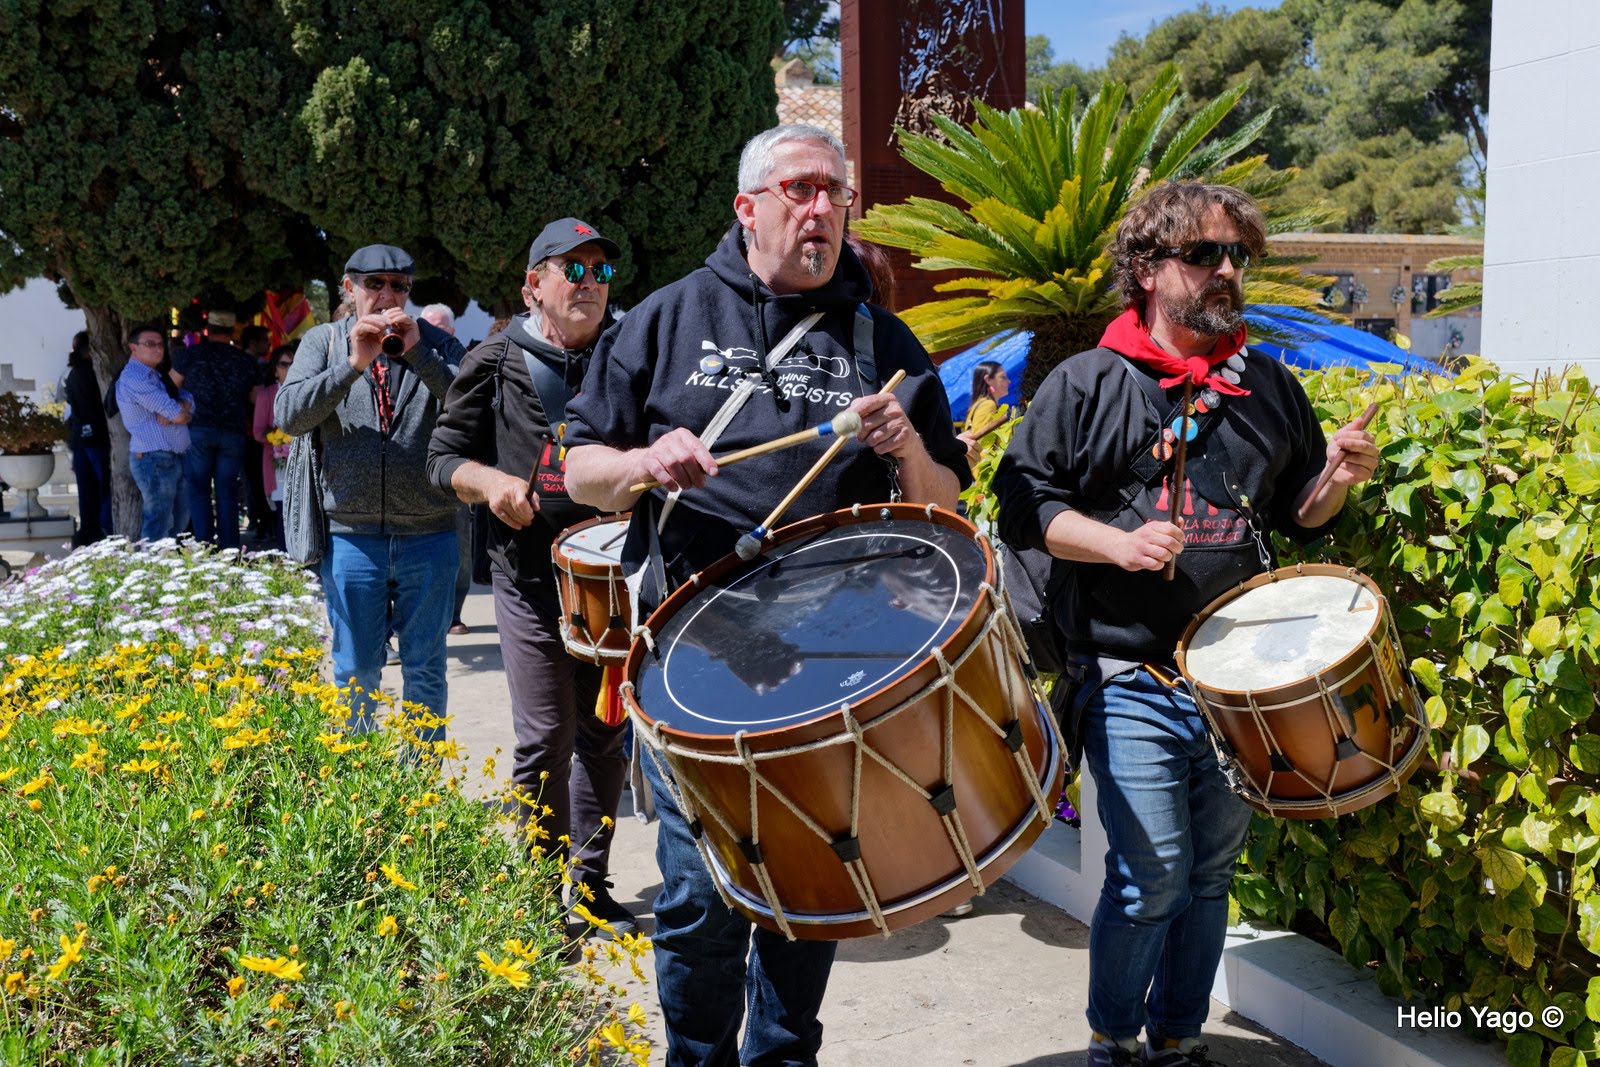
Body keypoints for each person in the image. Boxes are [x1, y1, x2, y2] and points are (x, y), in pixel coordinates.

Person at [563, 123, 969, 1067]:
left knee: (812, 885)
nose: (821, 208)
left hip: (839, 666)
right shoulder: (664, 320)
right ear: (749, 208)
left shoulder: (884, 340)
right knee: (699, 896)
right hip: (689, 658)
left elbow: (943, 500)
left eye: (835, 191)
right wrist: (642, 461)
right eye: (800, 189)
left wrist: (904, 443)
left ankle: (786, 1058)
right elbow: (578, 469)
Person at [992, 181, 1378, 1067]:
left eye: (1237, 256)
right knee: (1151, 870)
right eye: (1205, 255)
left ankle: (1175, 1039)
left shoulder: (1267, 383)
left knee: (1209, 874)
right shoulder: (1086, 382)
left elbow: (1297, 510)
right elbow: (1021, 504)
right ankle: (1113, 1039)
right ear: (1147, 267)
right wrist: (1114, 544)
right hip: (1125, 670)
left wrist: (1339, 480)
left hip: (1237, 678)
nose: (1227, 272)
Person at [428, 217, 636, 933]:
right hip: (526, 577)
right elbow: (443, 458)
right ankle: (535, 890)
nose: (588, 283)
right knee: (546, 734)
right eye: (570, 269)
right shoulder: (493, 359)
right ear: (533, 286)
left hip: (611, 581)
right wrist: (489, 483)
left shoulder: (628, 355)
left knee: (606, 731)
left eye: (600, 271)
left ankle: (589, 881)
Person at [275, 244, 466, 744]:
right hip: (351, 536)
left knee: (425, 671)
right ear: (349, 288)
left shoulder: (440, 344)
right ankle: (358, 791)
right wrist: (352, 365)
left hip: (430, 533)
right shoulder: (323, 342)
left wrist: (421, 353)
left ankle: (418, 790)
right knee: (356, 671)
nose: (386, 296)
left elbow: (474, 413)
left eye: (398, 287)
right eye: (373, 284)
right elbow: (290, 416)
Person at [171, 310, 258, 549]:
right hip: (233, 431)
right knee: (227, 494)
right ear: (231, 331)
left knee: (198, 492)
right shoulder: (245, 360)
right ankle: (230, 551)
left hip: (197, 429)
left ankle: (204, 551)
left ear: (207, 329)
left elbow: (170, 387)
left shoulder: (189, 355)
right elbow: (255, 397)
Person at [116, 324, 195, 542]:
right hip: (154, 458)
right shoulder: (135, 378)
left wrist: (181, 406)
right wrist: (180, 412)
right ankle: (153, 572)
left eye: (160, 344)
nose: (157, 348)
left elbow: (187, 398)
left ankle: (167, 570)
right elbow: (178, 415)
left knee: (178, 523)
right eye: (150, 344)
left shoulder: (156, 375)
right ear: (133, 348)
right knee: (160, 522)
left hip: (173, 456)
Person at [63, 331, 113, 545]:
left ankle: (89, 531)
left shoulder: (72, 374)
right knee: (104, 488)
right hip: (98, 438)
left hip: (80, 439)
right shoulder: (95, 372)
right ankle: (105, 530)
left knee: (86, 491)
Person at [251, 343, 296, 553]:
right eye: (284, 364)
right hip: (277, 464)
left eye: (293, 363)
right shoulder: (266, 396)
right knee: (283, 514)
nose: (289, 368)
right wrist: (280, 438)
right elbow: (258, 431)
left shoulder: (308, 391)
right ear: (275, 369)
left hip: (304, 462)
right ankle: (287, 560)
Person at [239, 324, 276, 545]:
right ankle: (264, 524)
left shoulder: (240, 361)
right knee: (257, 481)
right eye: (264, 339)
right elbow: (254, 397)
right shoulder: (251, 364)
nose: (268, 344)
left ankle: (262, 523)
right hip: (253, 431)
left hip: (251, 431)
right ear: (253, 342)